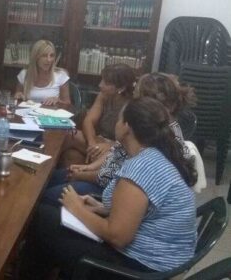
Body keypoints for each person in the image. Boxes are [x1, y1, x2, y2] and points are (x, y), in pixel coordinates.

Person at [20, 97, 197, 279]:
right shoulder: (153, 154)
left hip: (142, 269)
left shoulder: (142, 166)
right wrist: (102, 208)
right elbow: (144, 210)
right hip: (156, 257)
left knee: (41, 218)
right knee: (48, 216)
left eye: (119, 119)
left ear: (127, 127)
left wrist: (77, 208)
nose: (116, 124)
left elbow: (118, 237)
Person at [42, 72, 196, 206]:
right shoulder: (146, 122)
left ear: (148, 101)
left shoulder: (153, 133)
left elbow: (114, 178)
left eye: (135, 95)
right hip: (105, 180)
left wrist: (82, 174)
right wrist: (89, 167)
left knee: (44, 196)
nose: (132, 99)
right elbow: (117, 151)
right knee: (47, 179)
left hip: (109, 192)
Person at [59, 63, 135, 167]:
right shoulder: (103, 95)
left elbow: (133, 143)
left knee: (70, 135)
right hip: (98, 140)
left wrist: (109, 145)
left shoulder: (132, 106)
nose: (100, 85)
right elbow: (88, 121)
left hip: (118, 148)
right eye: (102, 80)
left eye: (106, 83)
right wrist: (92, 143)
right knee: (72, 155)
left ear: (121, 88)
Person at [13, 40, 70, 106]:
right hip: (29, 114)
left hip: (51, 114)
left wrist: (57, 100)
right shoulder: (24, 74)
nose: (49, 60)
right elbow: (17, 98)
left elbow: (67, 104)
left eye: (51, 55)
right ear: (36, 57)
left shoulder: (61, 75)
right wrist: (18, 96)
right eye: (44, 56)